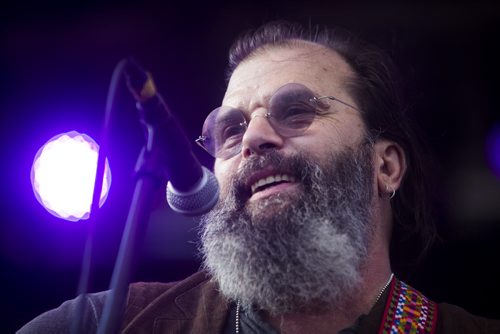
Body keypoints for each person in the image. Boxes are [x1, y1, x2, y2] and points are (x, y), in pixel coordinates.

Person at [18, 20, 500, 334]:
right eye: (229, 130)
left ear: (386, 165)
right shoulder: (104, 324)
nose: (254, 138)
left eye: (296, 112)